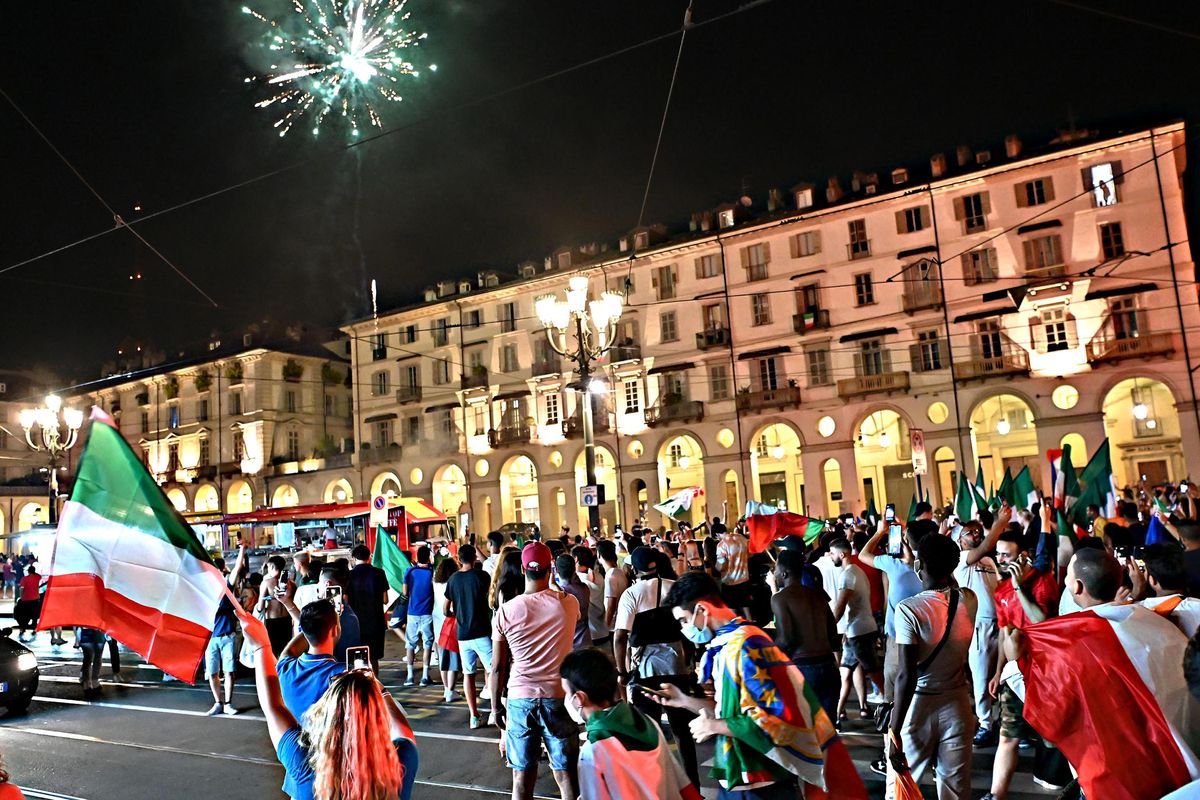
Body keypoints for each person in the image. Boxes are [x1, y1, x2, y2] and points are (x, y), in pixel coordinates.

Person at [656, 572, 866, 799]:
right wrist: (683, 700)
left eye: (685, 621)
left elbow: (776, 720)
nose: (686, 629)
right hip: (742, 778)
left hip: (762, 785)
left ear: (703, 610)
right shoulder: (731, 643)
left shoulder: (746, 646)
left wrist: (714, 727)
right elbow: (730, 710)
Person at [241, 614, 419, 800]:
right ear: (378, 716)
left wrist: (262, 647)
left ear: (329, 712)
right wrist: (377, 687)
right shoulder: (401, 762)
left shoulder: (305, 763)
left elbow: (273, 707)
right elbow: (404, 731)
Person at [886, 534, 978, 800]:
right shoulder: (969, 600)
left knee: (902, 785)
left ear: (919, 565)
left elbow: (906, 675)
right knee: (955, 789)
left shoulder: (909, 610)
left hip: (918, 708)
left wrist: (894, 731)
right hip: (958, 704)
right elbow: (954, 588)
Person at [489, 542, 580, 800]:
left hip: (520, 699)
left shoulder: (505, 612)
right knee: (566, 775)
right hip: (559, 696)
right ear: (551, 568)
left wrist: (496, 708)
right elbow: (561, 594)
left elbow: (497, 667)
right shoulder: (568, 604)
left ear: (522, 569)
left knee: (521, 779)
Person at [560, 647, 699, 800]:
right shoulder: (648, 723)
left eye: (567, 693)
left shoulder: (593, 750)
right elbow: (682, 784)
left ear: (579, 698)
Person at [611, 546, 699, 786]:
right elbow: (689, 630)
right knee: (683, 732)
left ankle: (655, 786)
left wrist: (622, 671)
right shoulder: (675, 587)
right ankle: (694, 787)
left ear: (635, 569)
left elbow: (620, 637)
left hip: (645, 670)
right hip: (676, 666)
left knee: (649, 734)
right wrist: (690, 662)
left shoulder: (632, 594)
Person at [983, 529, 1058, 800]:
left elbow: (1041, 620)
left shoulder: (1042, 582)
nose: (1001, 559)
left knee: (1054, 739)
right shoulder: (1000, 589)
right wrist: (997, 671)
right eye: (999, 554)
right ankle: (996, 794)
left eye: (1007, 554)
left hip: (1046, 674)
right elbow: (1004, 634)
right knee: (1007, 736)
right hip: (1015, 674)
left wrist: (1018, 587)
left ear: (1023, 556)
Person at [951, 507, 1008, 747]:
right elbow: (986, 545)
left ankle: (1003, 720)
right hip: (980, 626)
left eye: (977, 530)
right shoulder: (961, 560)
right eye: (969, 533)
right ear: (959, 540)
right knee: (982, 677)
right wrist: (1000, 522)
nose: (976, 534)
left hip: (1001, 623)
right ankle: (986, 723)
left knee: (1004, 674)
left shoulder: (987, 560)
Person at [771, 549, 840, 721]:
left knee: (803, 733)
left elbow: (786, 639)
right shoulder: (818, 597)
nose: (775, 574)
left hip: (804, 669)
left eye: (776, 570)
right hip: (829, 667)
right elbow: (834, 636)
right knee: (827, 733)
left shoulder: (780, 598)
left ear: (785, 573)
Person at [827, 538, 884, 724]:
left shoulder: (848, 575)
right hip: (856, 631)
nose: (831, 556)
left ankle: (892, 707)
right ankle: (836, 714)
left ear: (842, 554)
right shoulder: (857, 571)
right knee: (844, 673)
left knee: (874, 673)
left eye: (833, 553)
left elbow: (841, 605)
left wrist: (828, 627)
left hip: (859, 632)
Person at [446, 543, 494, 728]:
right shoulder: (482, 576)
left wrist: (456, 614)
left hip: (463, 634)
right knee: (492, 670)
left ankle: (473, 716)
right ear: (475, 558)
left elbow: (445, 608)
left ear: (459, 559)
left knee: (469, 674)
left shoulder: (453, 579)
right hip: (482, 631)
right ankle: (494, 710)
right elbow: (491, 600)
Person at [347, 544, 390, 673]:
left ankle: (359, 687)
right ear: (369, 556)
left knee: (356, 658)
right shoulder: (379, 573)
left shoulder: (349, 575)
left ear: (354, 558)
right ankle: (375, 684)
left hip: (356, 623)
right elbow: (385, 600)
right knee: (373, 657)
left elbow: (346, 601)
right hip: (376, 622)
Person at [402, 545, 435, 687]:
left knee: (410, 645)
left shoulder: (410, 571)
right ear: (428, 557)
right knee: (427, 645)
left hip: (412, 613)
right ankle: (425, 677)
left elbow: (405, 593)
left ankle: (410, 677)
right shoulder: (432, 572)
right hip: (428, 612)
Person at [430, 556, 462, 703]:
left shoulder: (435, 582)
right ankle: (451, 690)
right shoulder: (454, 582)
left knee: (443, 658)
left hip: (437, 621)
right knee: (454, 658)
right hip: (450, 621)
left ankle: (446, 688)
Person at [256, 556, 297, 656]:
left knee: (273, 653)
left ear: (272, 567)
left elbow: (260, 607)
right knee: (286, 652)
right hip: (287, 620)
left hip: (272, 622)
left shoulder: (266, 583)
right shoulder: (292, 584)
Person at [572, 545, 611, 648]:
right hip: (603, 631)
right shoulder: (598, 575)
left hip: (589, 635)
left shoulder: (577, 581)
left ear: (576, 559)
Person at [555, 554, 592, 650]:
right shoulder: (584, 588)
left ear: (556, 570)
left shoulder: (558, 594)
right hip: (585, 640)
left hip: (567, 645)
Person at [715, 526, 751, 616]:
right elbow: (750, 555)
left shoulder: (722, 545)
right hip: (744, 579)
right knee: (746, 607)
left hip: (730, 582)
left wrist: (715, 567)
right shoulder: (742, 538)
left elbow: (721, 566)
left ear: (717, 534)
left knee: (732, 613)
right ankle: (751, 625)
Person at [597, 539, 629, 630]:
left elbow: (611, 604)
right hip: (621, 620)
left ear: (599, 555)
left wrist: (606, 627)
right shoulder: (619, 571)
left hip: (614, 624)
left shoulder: (610, 576)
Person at [14, 565, 41, 639]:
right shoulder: (37, 577)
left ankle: (23, 629)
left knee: (24, 616)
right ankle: (34, 630)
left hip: (26, 599)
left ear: (28, 571)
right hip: (35, 599)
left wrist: (20, 597)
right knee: (34, 616)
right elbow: (39, 576)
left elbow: (21, 589)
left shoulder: (24, 579)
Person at [76, 626, 105, 695]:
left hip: (95, 630)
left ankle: (90, 681)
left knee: (92, 657)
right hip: (92, 630)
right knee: (90, 657)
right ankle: (91, 681)